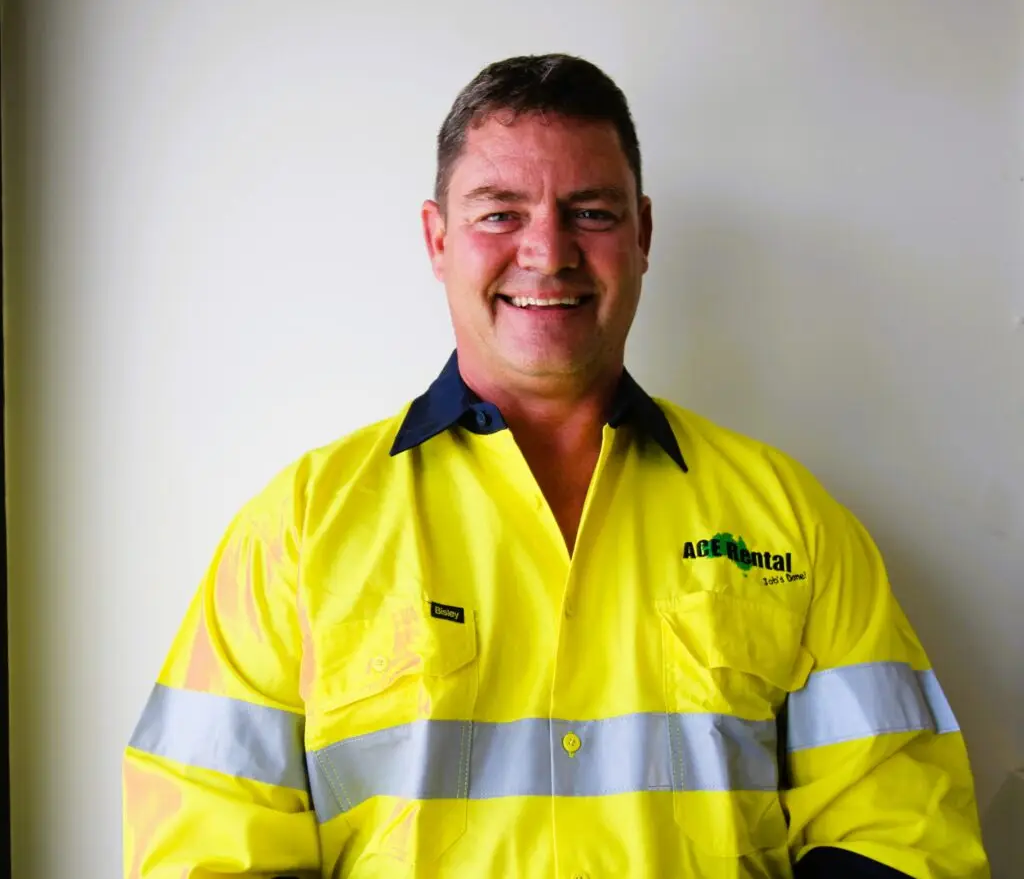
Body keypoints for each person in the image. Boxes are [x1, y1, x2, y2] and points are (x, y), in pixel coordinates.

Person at [122, 54, 989, 879]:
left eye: (592, 212)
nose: (548, 250)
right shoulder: (299, 530)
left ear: (643, 234)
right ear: (437, 238)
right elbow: (204, 846)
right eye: (500, 213)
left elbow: (898, 834)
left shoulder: (790, 519)